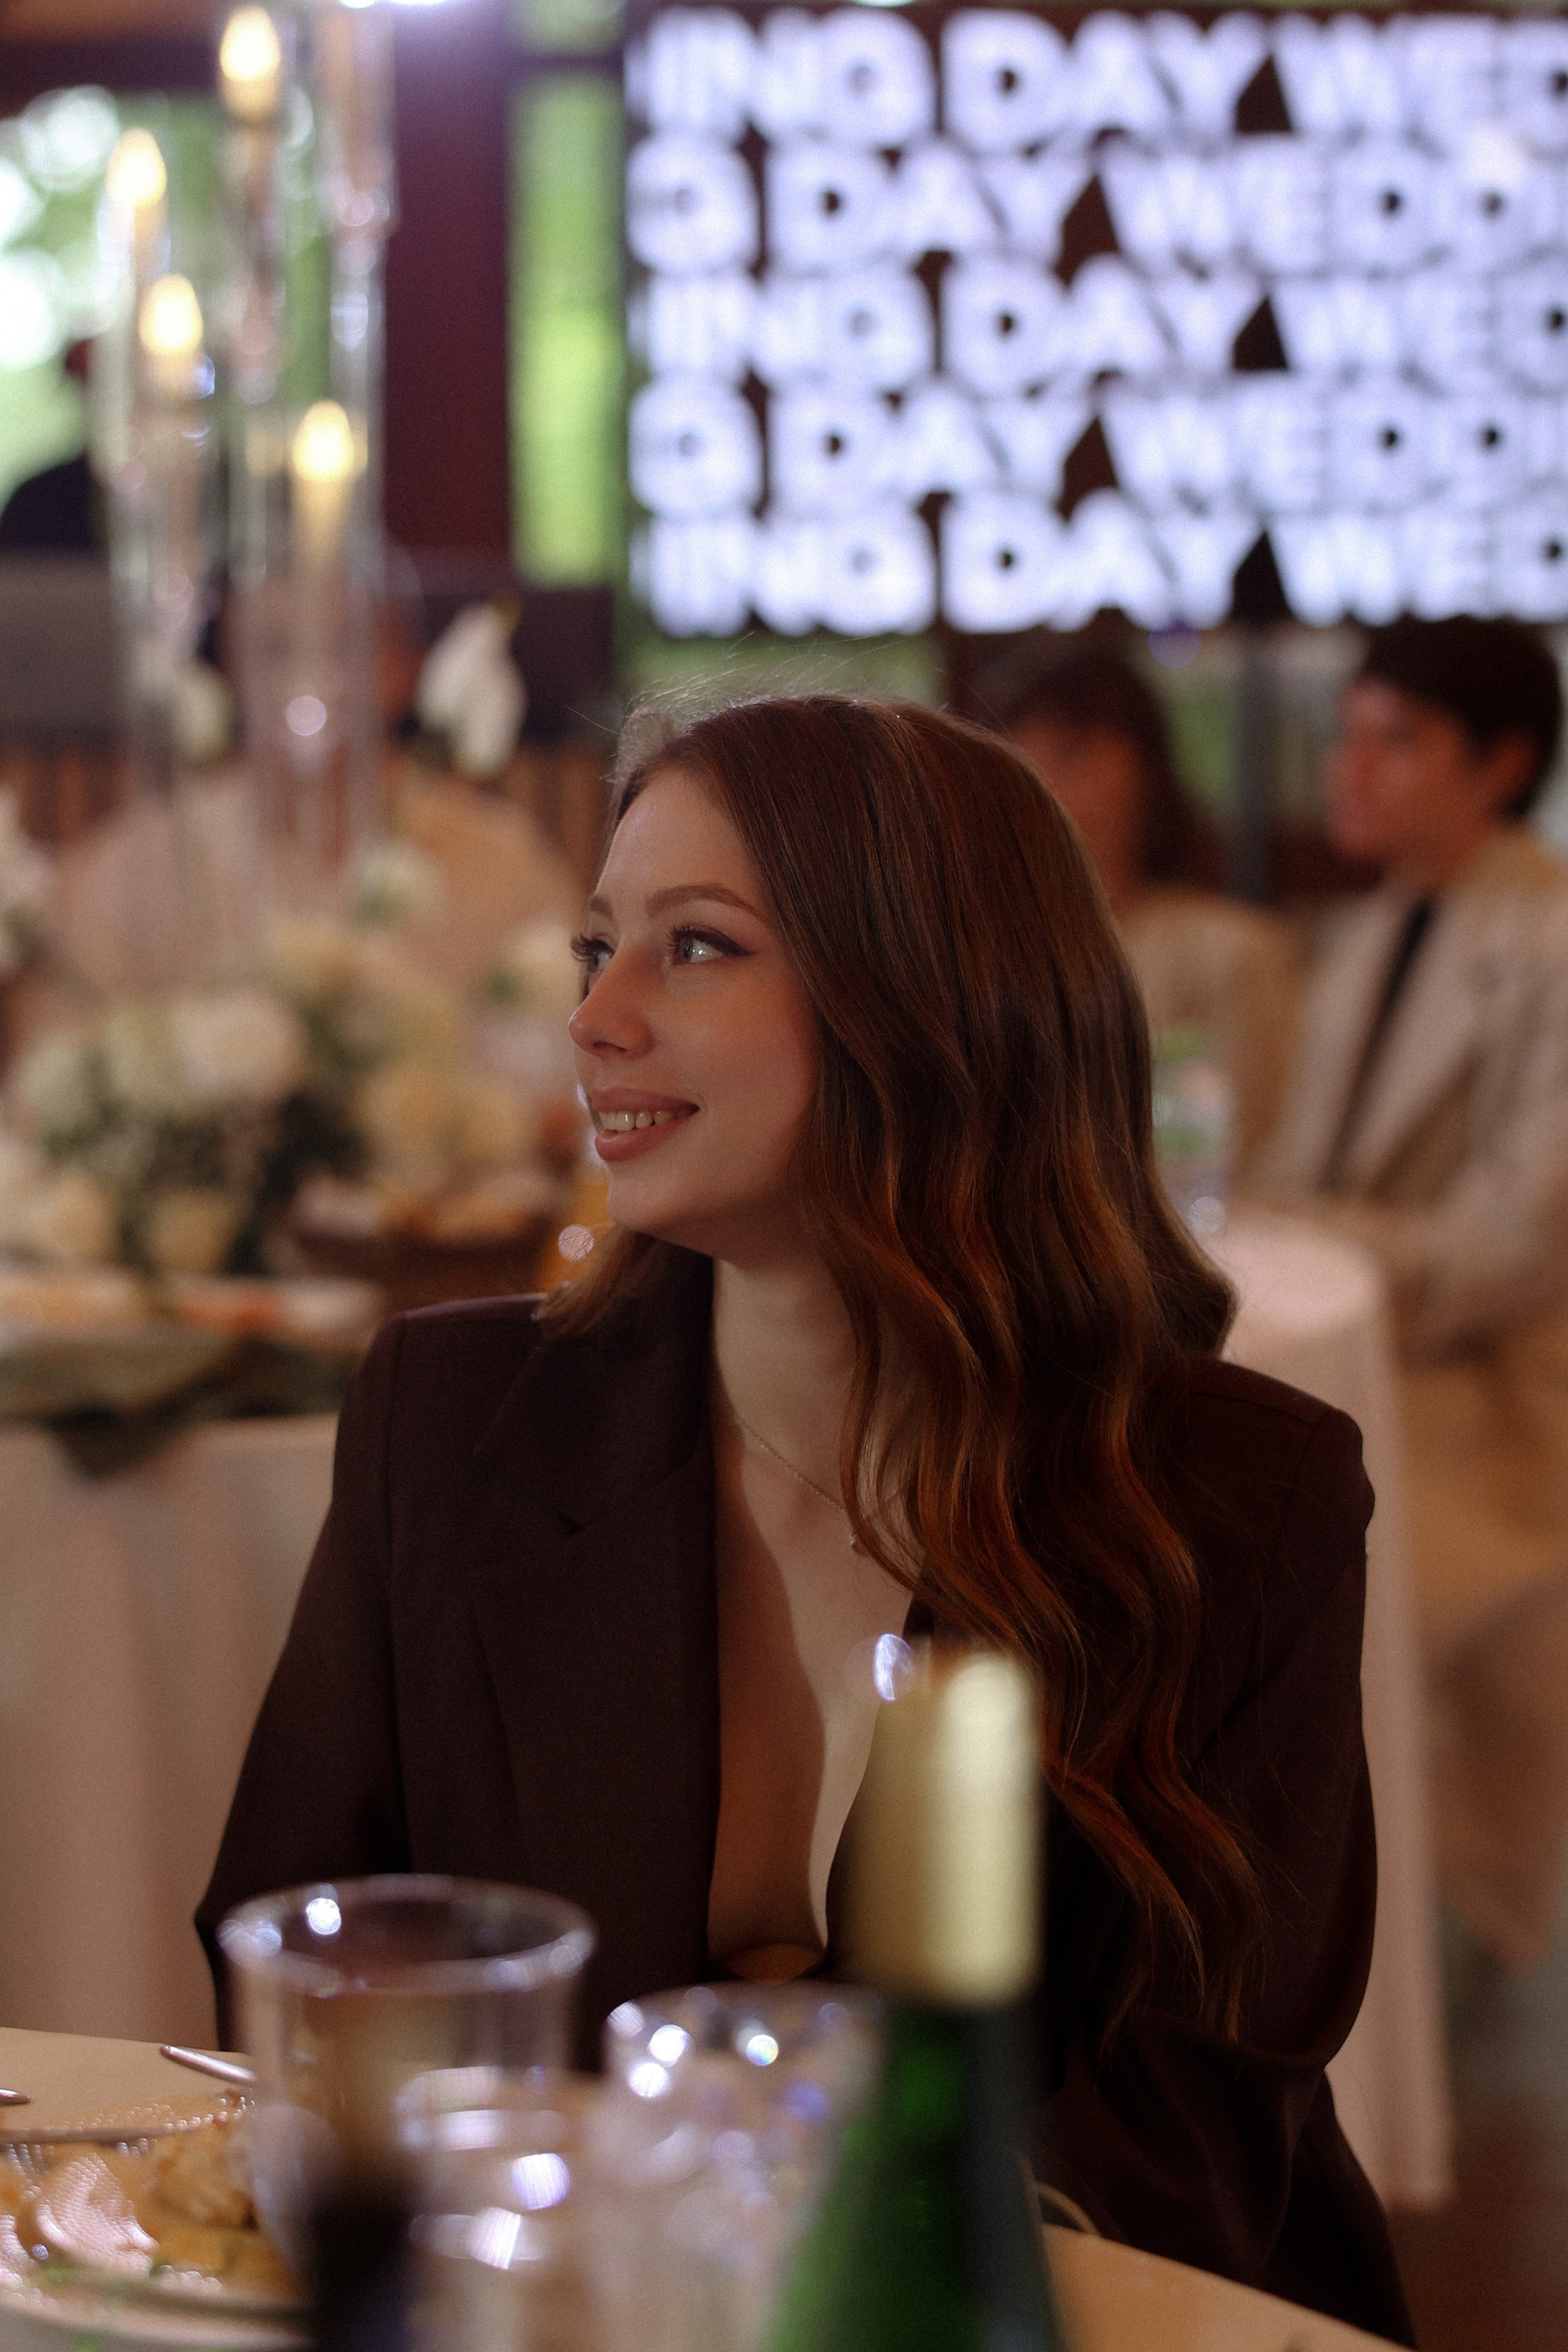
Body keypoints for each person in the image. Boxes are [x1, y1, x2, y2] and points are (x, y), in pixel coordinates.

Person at [198, 697, 1411, 2342]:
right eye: (595, 950)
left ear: (931, 997)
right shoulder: (452, 1418)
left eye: (696, 948)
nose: (596, 1020)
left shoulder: (1238, 1498)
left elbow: (1188, 2133)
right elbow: (305, 1960)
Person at [1260, 615, 1568, 1967]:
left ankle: (1339, 1951)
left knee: (1279, 1567)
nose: (1351, 768)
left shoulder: (1554, 936)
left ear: (1503, 763)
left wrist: (1311, 1238)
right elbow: (1288, 1173)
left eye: (1397, 741)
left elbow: (1513, 1240)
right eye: (1349, 734)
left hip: (1494, 1401)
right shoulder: (1372, 926)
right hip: (1382, 1346)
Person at [996, 646, 1298, 1172]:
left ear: (1145, 771)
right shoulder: (987, 953)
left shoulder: (1232, 949)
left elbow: (1254, 1148)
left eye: (1070, 756)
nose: (1043, 788)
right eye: (1020, 767)